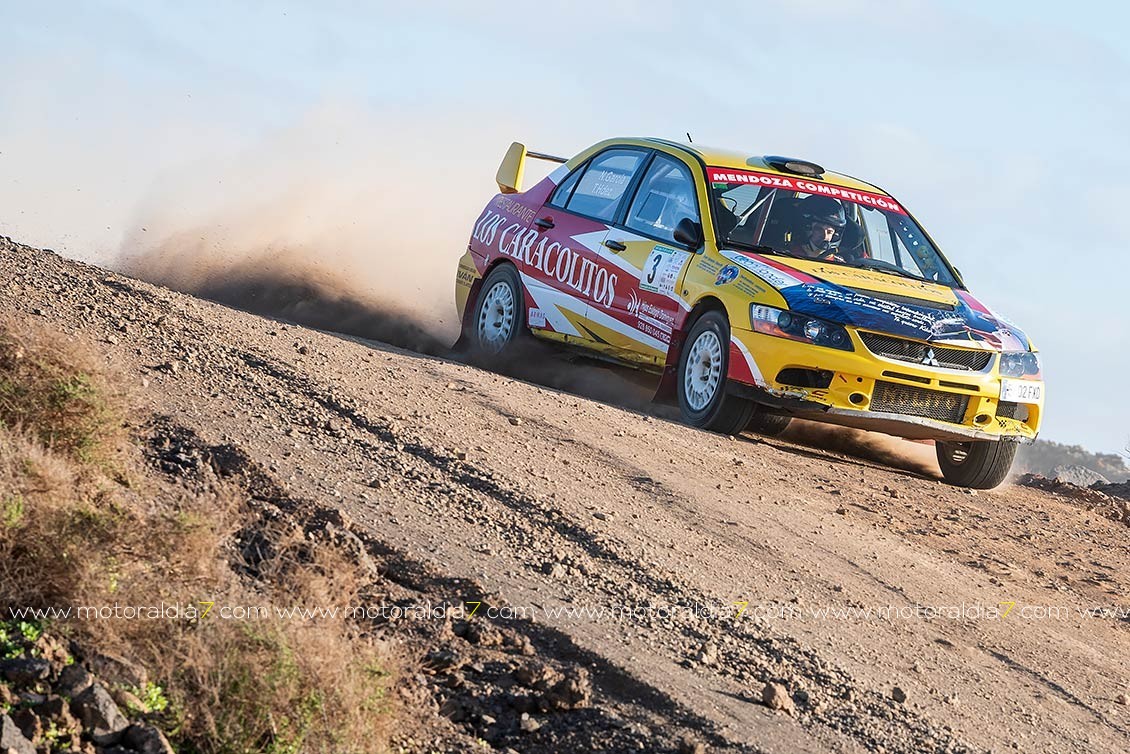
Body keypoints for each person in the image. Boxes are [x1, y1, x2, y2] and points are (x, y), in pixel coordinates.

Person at [787, 195, 847, 261]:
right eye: (819, 229)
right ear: (805, 230)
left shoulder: (839, 263)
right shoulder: (787, 256)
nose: (824, 237)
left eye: (829, 232)